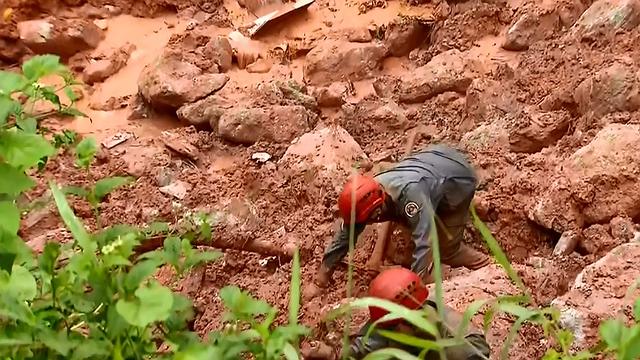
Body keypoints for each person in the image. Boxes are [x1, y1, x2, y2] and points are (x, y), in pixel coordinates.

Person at [305, 144, 491, 299]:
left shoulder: (410, 196)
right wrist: (320, 279)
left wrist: (414, 286)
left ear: (377, 212)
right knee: (413, 218)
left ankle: (487, 266)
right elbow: (345, 235)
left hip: (458, 178)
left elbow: (426, 240)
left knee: (446, 249)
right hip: (433, 159)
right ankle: (433, 202)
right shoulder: (370, 192)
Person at [346, 267, 491, 359]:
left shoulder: (464, 350)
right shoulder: (407, 312)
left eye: (390, 329)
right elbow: (367, 345)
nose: (385, 333)